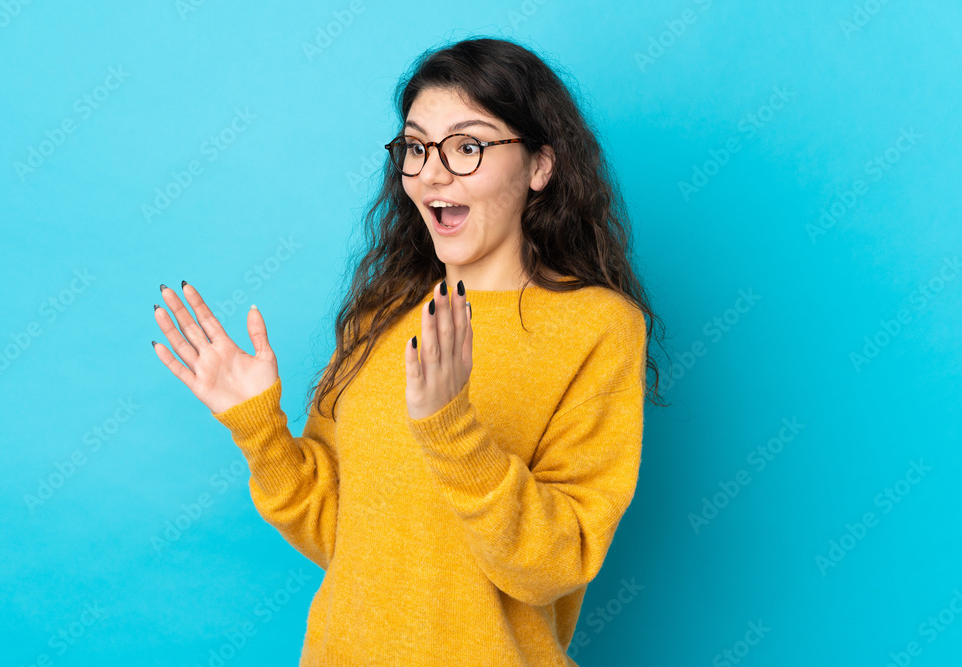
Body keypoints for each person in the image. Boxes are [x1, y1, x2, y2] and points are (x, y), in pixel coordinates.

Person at [152, 36, 666, 666]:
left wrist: (452, 429)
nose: (432, 172)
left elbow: (556, 565)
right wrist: (259, 429)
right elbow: (341, 534)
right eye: (417, 147)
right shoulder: (383, 313)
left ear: (540, 166)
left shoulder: (598, 328)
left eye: (467, 147)